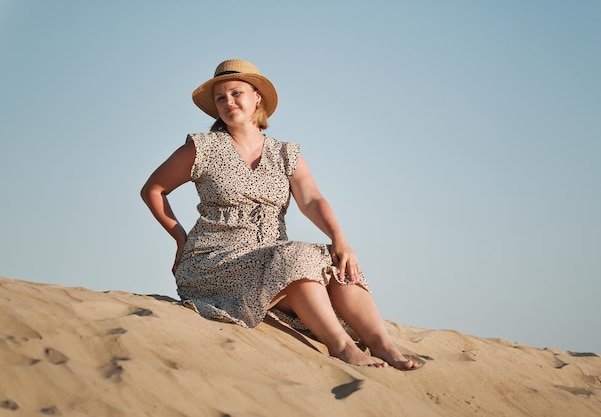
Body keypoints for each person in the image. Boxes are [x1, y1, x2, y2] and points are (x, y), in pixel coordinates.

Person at [141, 59, 421, 370]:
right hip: (215, 259)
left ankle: (385, 348)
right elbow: (153, 189)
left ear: (256, 96)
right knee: (296, 258)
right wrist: (180, 238)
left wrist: (340, 239)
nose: (228, 102)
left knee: (335, 261)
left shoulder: (285, 153)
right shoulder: (202, 147)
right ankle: (342, 348)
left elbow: (312, 199)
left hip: (273, 258)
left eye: (236, 93)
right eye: (221, 97)